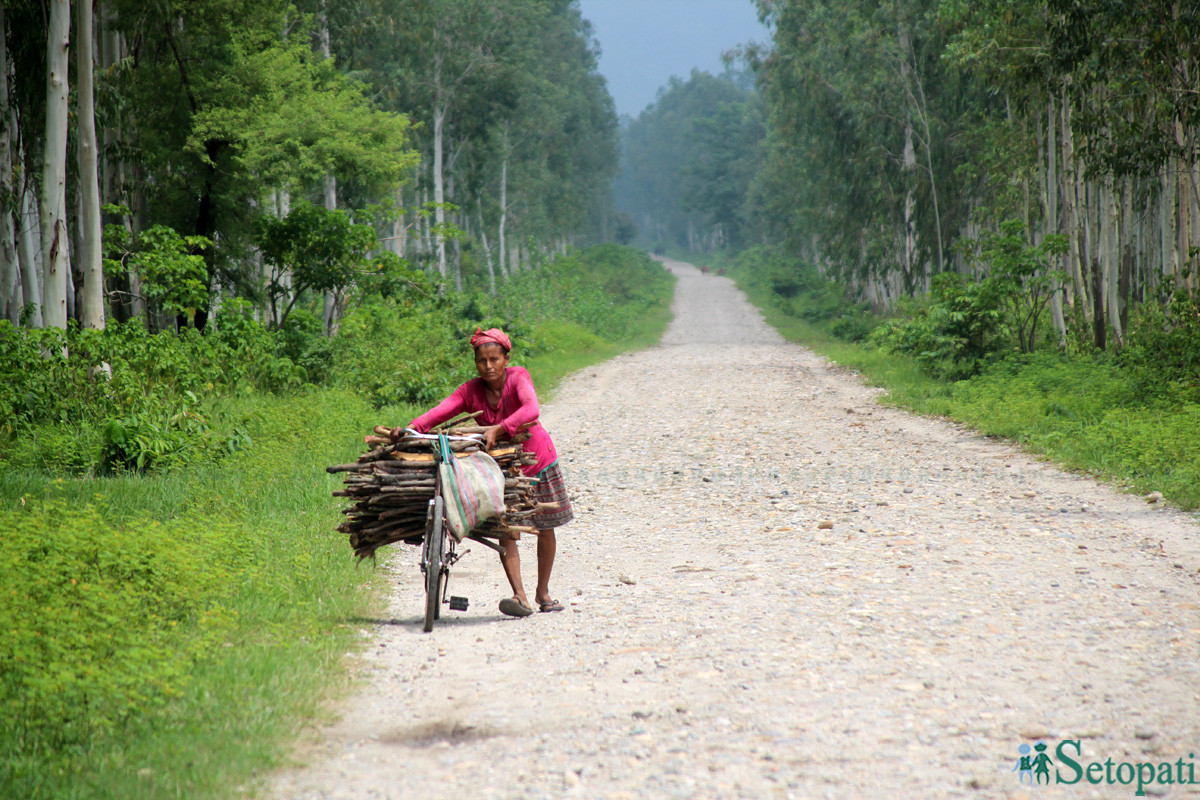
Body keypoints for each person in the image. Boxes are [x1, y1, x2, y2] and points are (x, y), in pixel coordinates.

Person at [397, 327, 574, 617]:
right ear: (476, 363)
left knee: (545, 526)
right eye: (482, 361)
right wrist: (412, 428)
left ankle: (543, 592)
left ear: (507, 358)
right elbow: (441, 411)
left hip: (537, 459)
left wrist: (501, 428)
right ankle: (520, 596)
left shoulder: (519, 377)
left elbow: (531, 409)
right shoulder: (471, 390)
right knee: (507, 528)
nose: (488, 366)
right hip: (498, 467)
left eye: (494, 359)